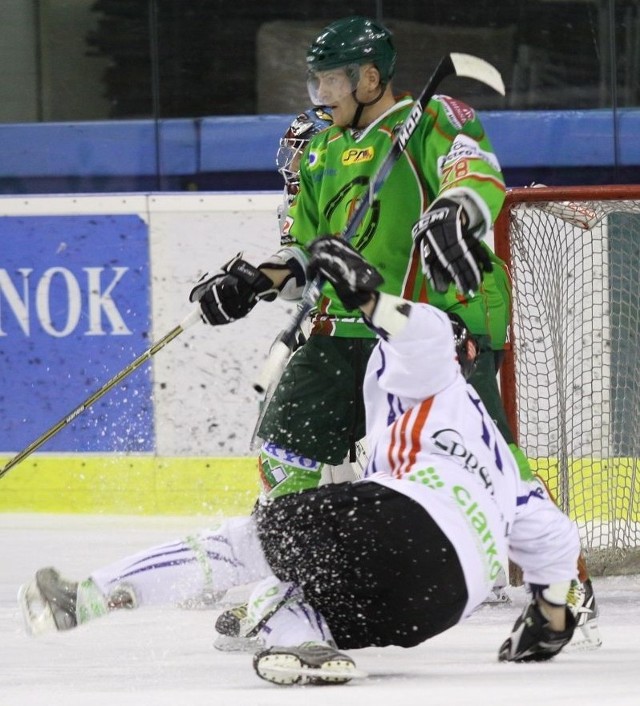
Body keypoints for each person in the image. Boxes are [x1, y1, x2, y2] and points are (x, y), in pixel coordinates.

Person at [189, 15, 598, 643]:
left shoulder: (436, 117)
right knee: (286, 448)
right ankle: (293, 584)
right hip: (345, 328)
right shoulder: (322, 148)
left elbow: (476, 176)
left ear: (369, 77)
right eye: (316, 80)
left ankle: (564, 585)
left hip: (427, 329)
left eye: (329, 80)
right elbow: (303, 249)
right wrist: (255, 281)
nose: (319, 93)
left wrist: (451, 214)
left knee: (490, 461)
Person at [19, 237, 583, 686]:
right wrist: (548, 623)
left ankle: (87, 596)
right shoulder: (507, 467)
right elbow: (555, 544)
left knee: (249, 545)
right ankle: (300, 642)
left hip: (406, 518)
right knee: (301, 587)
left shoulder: (434, 353)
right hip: (442, 603)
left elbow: (412, 327)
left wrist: (363, 293)